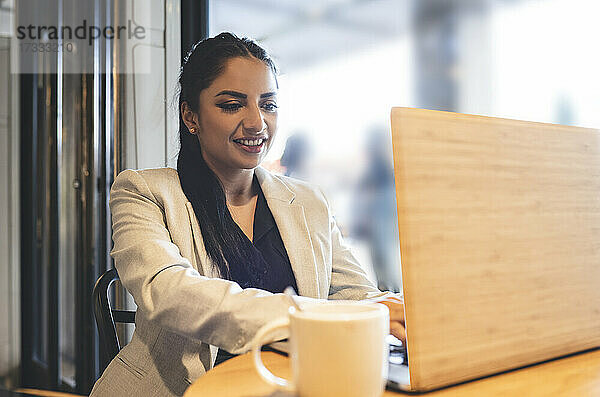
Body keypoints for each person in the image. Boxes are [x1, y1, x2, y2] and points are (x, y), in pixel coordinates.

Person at [90, 32, 405, 397]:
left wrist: (388, 310)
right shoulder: (143, 192)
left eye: (268, 105)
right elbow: (170, 293)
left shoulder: (308, 201)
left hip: (289, 384)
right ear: (190, 115)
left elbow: (355, 295)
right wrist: (310, 315)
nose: (257, 123)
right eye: (231, 105)